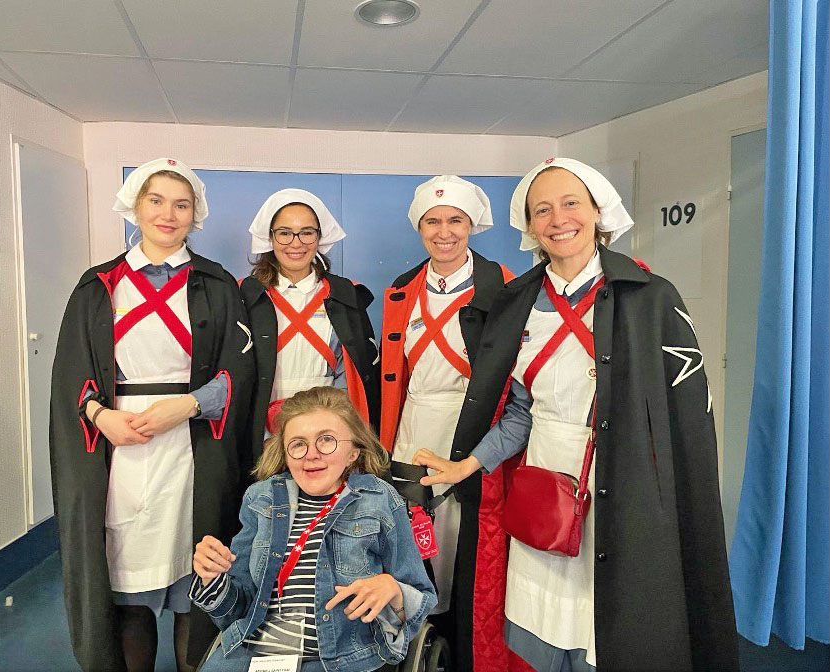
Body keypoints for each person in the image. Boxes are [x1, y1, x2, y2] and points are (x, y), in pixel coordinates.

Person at [415, 158, 739, 671]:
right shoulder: (516, 302)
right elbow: (520, 413)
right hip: (542, 485)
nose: (558, 219)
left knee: (610, 625)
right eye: (542, 209)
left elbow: (682, 422)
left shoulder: (649, 297)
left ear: (597, 211)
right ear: (530, 225)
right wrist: (468, 465)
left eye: (571, 203)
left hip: (623, 487)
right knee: (540, 628)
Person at [50, 158, 260, 671]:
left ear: (195, 215)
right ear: (135, 207)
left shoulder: (217, 284)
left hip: (194, 445)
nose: (168, 214)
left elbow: (239, 368)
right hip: (120, 452)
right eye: (156, 200)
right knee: (128, 582)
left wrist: (189, 405)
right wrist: (100, 416)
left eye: (181, 204)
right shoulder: (98, 285)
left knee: (197, 575)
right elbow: (72, 368)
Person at [189, 386, 436, 671]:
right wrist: (212, 578)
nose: (311, 455)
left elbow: (421, 595)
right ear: (285, 453)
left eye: (326, 440)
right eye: (298, 444)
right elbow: (236, 610)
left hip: (340, 659)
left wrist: (393, 590)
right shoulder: (261, 498)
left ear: (354, 451)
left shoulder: (380, 499)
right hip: (253, 653)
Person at [379, 175, 515, 672]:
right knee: (415, 533)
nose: (444, 232)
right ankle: (417, 642)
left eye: (455, 220)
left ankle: (463, 643)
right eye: (432, 222)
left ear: (472, 225)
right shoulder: (401, 291)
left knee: (467, 541)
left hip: (472, 424)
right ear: (419, 228)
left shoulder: (506, 287)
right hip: (412, 426)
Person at [241, 188, 380, 459]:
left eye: (307, 232)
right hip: (262, 431)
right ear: (270, 237)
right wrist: (262, 435)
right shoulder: (245, 296)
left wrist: (332, 432)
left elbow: (350, 373)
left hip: (327, 431)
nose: (296, 243)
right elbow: (238, 374)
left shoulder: (345, 294)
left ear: (319, 237)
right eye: (285, 233)